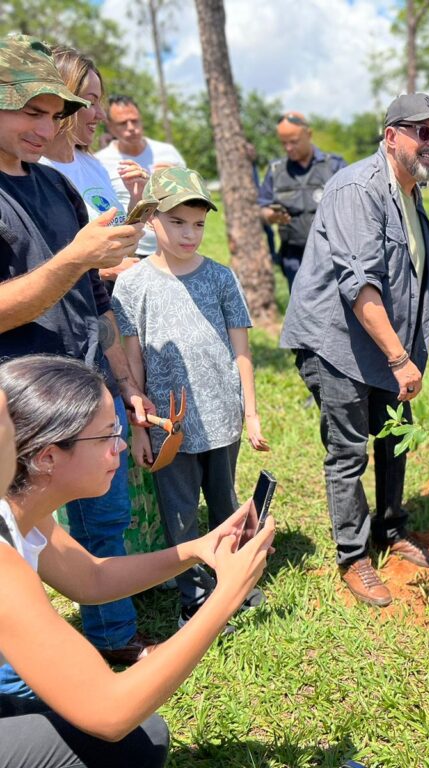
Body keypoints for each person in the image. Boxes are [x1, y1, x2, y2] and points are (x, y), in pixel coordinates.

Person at [0, 354, 274, 768]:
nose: (122, 445)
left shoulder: (18, 511)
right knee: (132, 744)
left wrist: (196, 549)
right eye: (107, 435)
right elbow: (109, 712)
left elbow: (90, 578)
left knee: (142, 738)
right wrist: (227, 595)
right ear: (47, 457)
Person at [0, 34, 157, 667]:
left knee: (104, 520)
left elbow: (96, 303)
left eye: (55, 114)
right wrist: (75, 258)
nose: (47, 127)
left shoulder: (57, 189)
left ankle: (107, 639)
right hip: (19, 410)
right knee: (16, 545)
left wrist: (126, 387)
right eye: (30, 111)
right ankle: (22, 678)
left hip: (86, 390)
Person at [280, 93, 429, 607]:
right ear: (390, 136)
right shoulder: (358, 188)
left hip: (382, 344)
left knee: (394, 438)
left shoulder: (410, 192)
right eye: (421, 132)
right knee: (349, 448)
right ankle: (354, 557)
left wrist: (404, 350)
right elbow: (359, 285)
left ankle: (392, 528)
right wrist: (399, 358)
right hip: (337, 342)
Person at [112, 167, 270, 630]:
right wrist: (140, 425)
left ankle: (236, 581)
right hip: (169, 427)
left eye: (198, 224)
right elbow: (132, 361)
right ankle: (196, 598)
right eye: (177, 222)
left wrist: (252, 413)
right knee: (179, 514)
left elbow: (241, 351)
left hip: (222, 418)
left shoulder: (220, 278)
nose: (189, 234)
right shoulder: (133, 284)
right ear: (152, 221)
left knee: (226, 504)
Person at [40, 46, 148, 285]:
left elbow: (122, 250)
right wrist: (103, 272)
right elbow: (34, 267)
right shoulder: (35, 171)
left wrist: (137, 202)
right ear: (62, 101)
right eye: (91, 102)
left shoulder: (93, 165)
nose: (101, 115)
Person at [258, 111, 346, 290]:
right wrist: (271, 216)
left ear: (309, 134)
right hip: (294, 257)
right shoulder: (276, 171)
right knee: (300, 314)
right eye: (284, 143)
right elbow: (262, 208)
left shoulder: (334, 166)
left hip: (332, 255)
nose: (288, 148)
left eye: (294, 141)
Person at [95, 94, 186, 259]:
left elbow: (194, 201)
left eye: (135, 121)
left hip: (173, 248)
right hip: (130, 253)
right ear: (109, 126)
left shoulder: (167, 152)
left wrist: (178, 180)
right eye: (123, 123)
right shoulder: (99, 162)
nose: (131, 127)